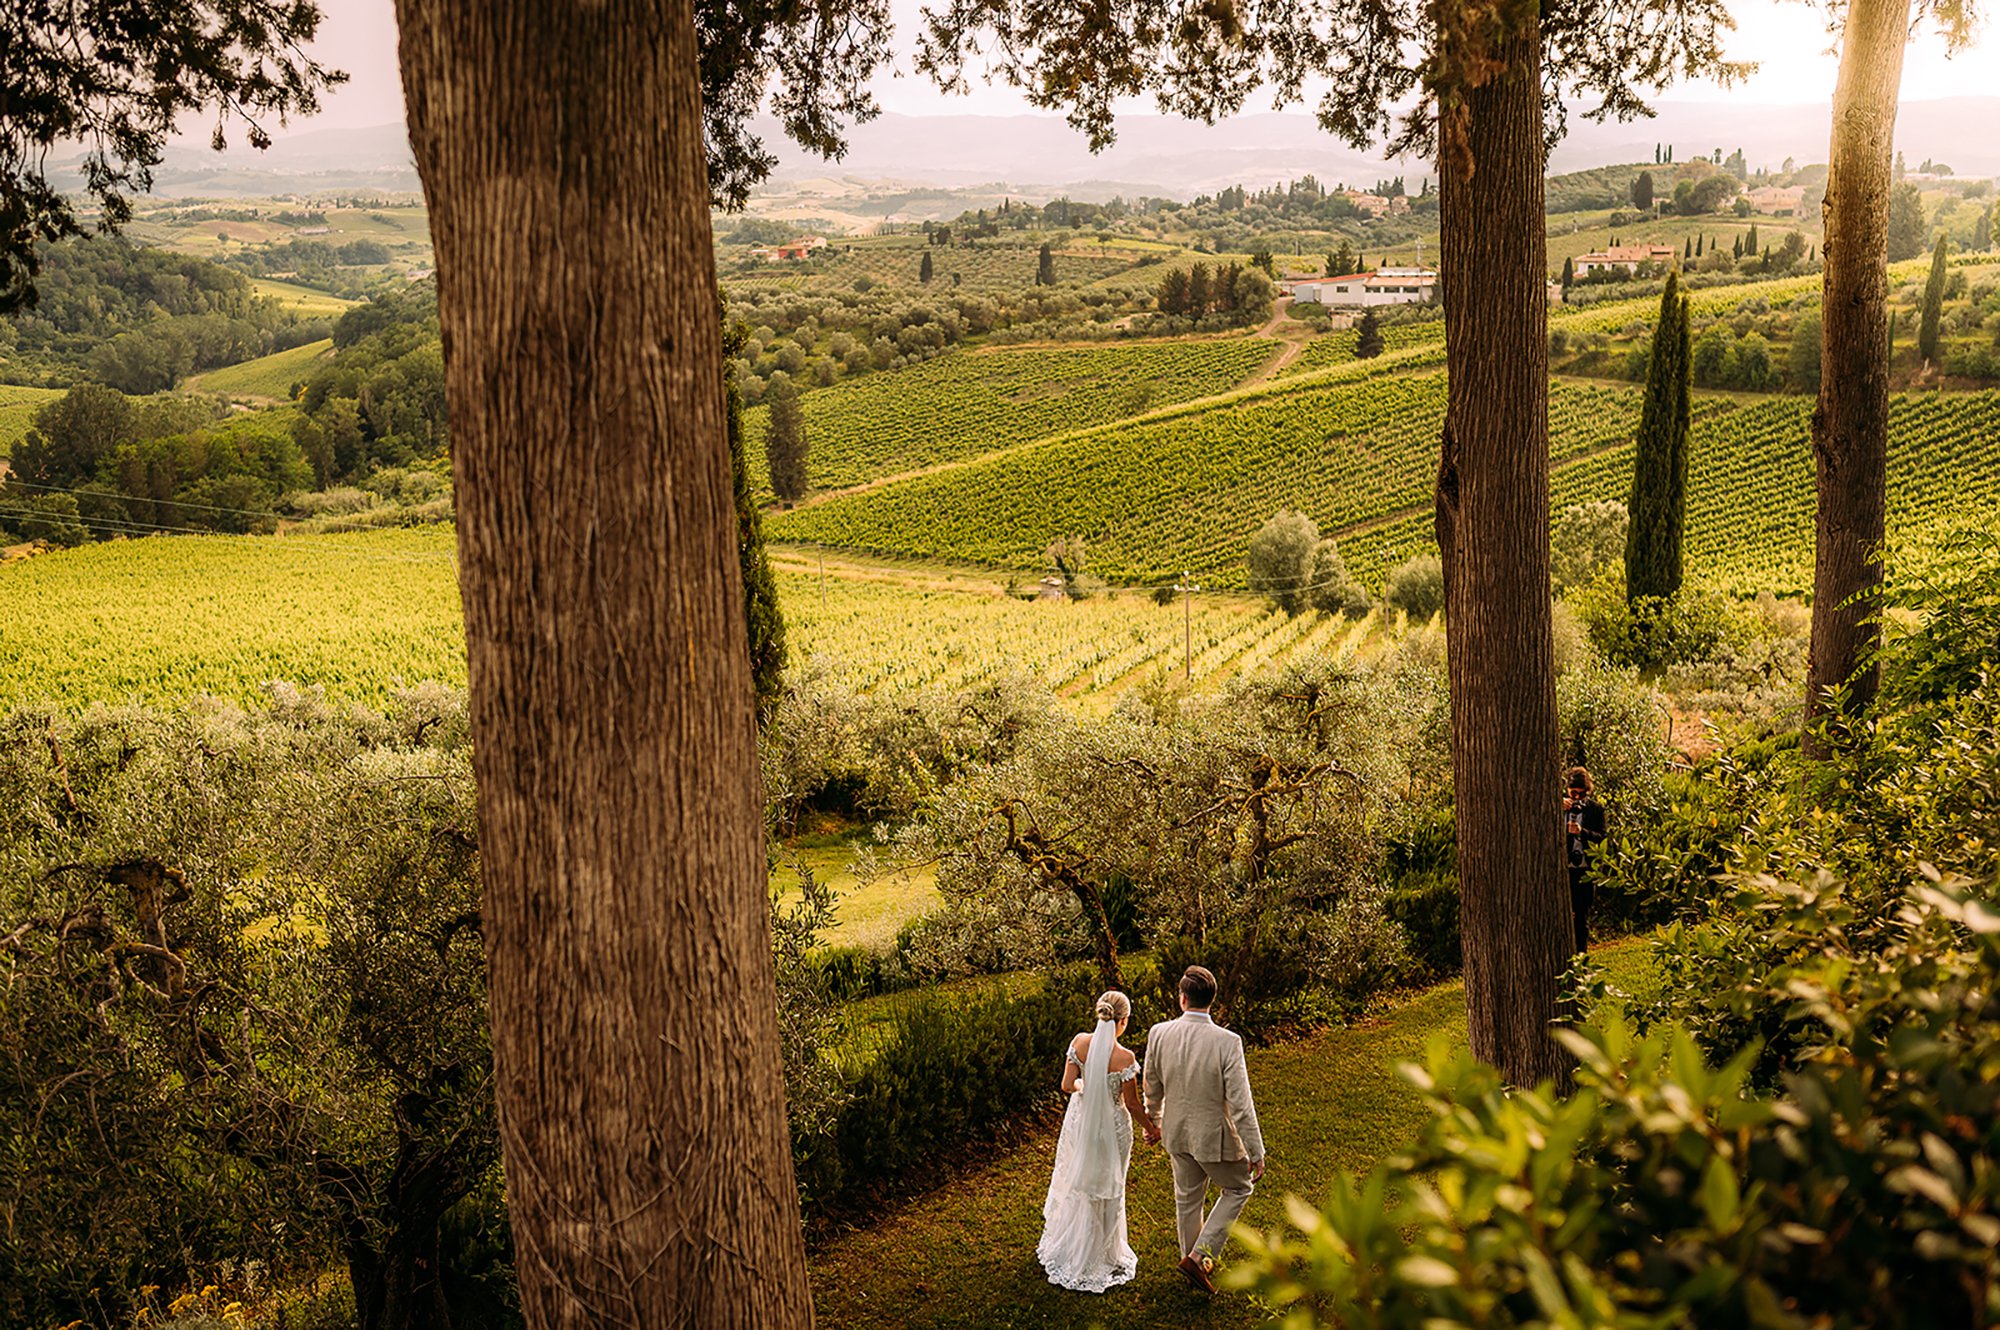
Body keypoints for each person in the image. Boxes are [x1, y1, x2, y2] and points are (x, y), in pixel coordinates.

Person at [1142, 965, 1265, 1294]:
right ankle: (1198, 1259)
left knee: (1187, 1200)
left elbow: (1151, 1085)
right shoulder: (1227, 1042)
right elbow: (1240, 1103)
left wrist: (1154, 1121)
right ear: (1212, 1000)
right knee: (1239, 1188)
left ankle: (1192, 1262)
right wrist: (1256, 1151)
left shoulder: (1158, 1033)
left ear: (1182, 998)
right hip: (1213, 1136)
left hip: (1176, 1133)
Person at [1037, 989, 1156, 1293]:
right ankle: (1105, 1252)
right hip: (1113, 1127)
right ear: (1124, 1021)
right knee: (1108, 1184)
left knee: (1079, 1179)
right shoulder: (1125, 1058)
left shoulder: (1079, 1042)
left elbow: (1066, 1085)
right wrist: (1152, 1128)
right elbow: (1130, 1104)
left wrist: (1085, 1087)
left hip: (1080, 1121)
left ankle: (1073, 1246)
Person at [1564, 766, 1608, 954]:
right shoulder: (1560, 805)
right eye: (1573, 793)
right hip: (1564, 870)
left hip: (1585, 870)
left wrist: (1583, 833)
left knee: (1581, 918)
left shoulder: (1596, 810)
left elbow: (1602, 838)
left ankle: (1581, 957)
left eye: (1581, 795)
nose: (1576, 798)